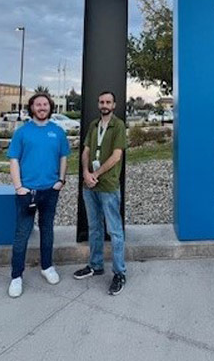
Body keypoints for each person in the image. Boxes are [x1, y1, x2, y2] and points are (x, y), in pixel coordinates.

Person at [6, 93, 70, 298]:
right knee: (21, 234)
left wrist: (60, 180)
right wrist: (18, 187)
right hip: (27, 192)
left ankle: (47, 266)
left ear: (50, 107)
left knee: (47, 230)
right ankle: (16, 276)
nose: (42, 107)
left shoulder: (58, 132)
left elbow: (63, 157)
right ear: (31, 107)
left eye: (45, 104)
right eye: (38, 104)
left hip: (50, 191)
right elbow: (14, 160)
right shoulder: (22, 132)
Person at [73, 91, 128, 295]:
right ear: (98, 104)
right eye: (101, 101)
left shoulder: (119, 126)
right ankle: (95, 266)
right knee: (94, 228)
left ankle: (119, 273)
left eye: (108, 102)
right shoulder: (94, 125)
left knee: (114, 231)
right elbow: (86, 150)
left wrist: (95, 173)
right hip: (90, 186)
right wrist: (86, 173)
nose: (104, 104)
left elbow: (116, 156)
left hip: (108, 187)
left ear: (114, 105)